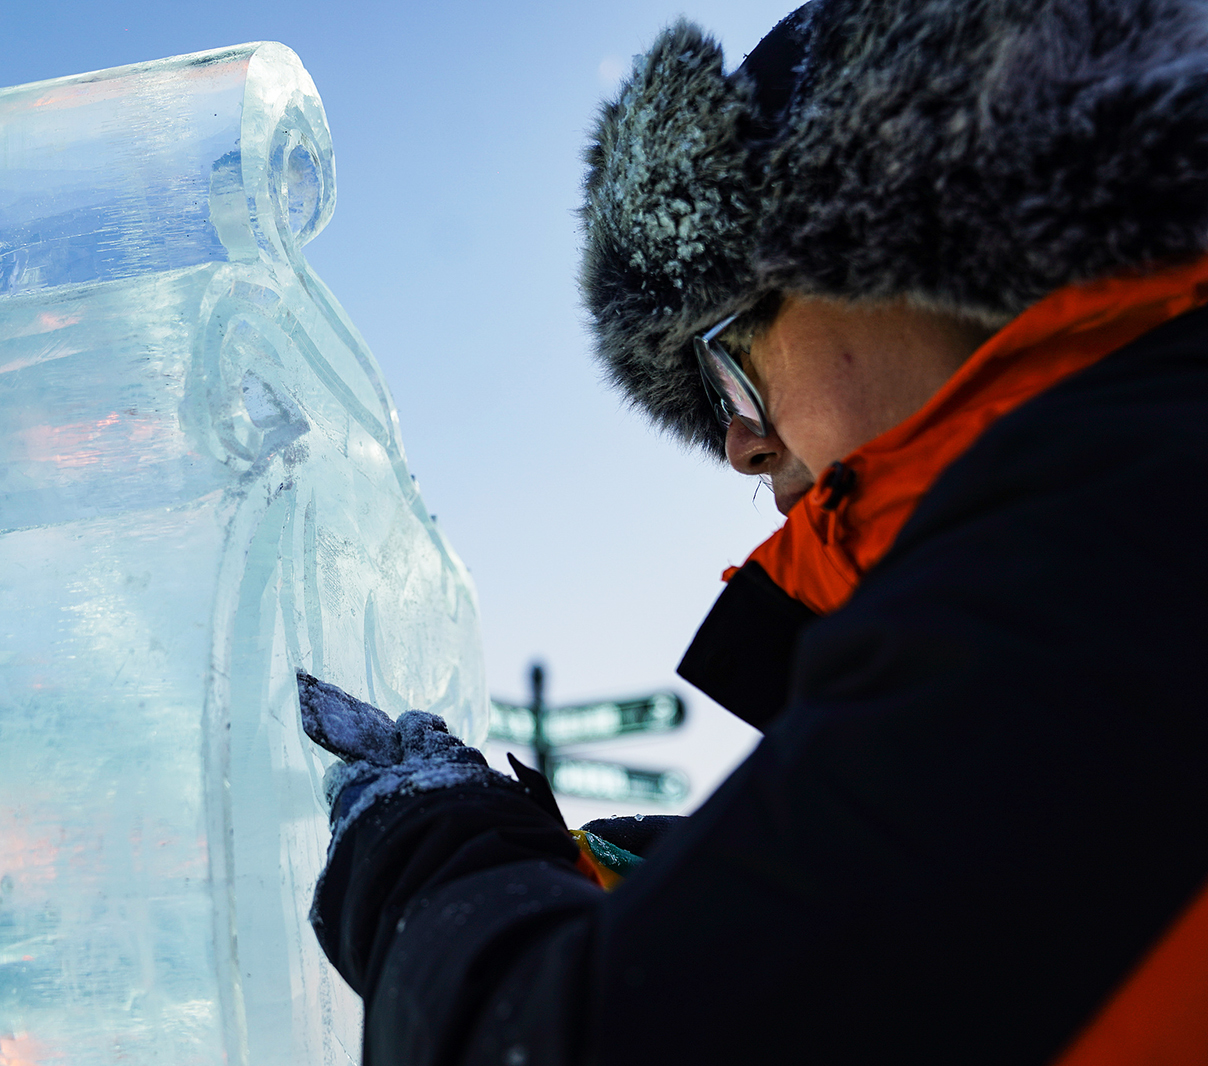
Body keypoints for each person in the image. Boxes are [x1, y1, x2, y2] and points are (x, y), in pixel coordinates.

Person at [300, 0, 1208, 1062]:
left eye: (730, 362)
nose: (738, 447)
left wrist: (424, 857)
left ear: (903, 224)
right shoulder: (1125, 527)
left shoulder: (1107, 546)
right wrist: (641, 891)